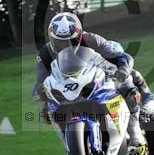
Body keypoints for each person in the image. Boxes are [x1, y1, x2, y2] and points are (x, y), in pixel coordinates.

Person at [33, 12, 145, 147]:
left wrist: (123, 70)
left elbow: (120, 56)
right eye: (59, 42)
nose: (65, 45)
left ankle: (135, 131)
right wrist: (39, 91)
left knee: (127, 85)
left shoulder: (92, 40)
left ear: (79, 36)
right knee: (48, 110)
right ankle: (69, 145)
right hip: (66, 88)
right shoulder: (45, 53)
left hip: (98, 79)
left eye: (70, 41)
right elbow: (40, 79)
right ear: (51, 39)